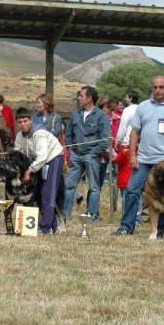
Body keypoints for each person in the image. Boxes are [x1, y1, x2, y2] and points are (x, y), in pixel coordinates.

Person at [113, 76, 164, 236]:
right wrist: (133, 155)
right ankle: (126, 227)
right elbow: (134, 132)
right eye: (155, 87)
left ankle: (160, 230)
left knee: (163, 195)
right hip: (144, 160)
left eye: (161, 87)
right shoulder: (143, 107)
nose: (158, 90)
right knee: (132, 191)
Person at [14, 107, 65, 234]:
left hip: (53, 158)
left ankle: (45, 228)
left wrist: (28, 172)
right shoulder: (20, 135)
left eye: (25, 121)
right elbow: (18, 154)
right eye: (20, 122)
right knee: (41, 194)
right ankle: (54, 226)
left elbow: (43, 156)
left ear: (31, 120)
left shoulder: (39, 133)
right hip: (37, 163)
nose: (23, 124)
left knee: (48, 193)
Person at [63, 86, 110, 223]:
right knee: (69, 185)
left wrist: (93, 153)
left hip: (92, 156)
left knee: (94, 187)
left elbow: (104, 140)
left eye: (81, 96)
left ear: (90, 98)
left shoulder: (102, 117)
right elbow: (68, 134)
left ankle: (91, 216)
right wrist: (71, 151)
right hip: (76, 155)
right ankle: (66, 215)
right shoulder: (75, 115)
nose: (79, 98)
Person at [114, 89, 142, 226]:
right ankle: (138, 216)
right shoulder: (143, 108)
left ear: (130, 98)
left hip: (128, 146)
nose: (125, 99)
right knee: (138, 183)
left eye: (126, 97)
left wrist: (116, 141)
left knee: (126, 182)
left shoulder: (128, 110)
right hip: (142, 146)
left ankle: (129, 215)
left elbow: (123, 126)